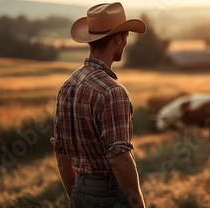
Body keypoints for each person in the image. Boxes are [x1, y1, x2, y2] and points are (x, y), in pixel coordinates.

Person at [52, 2, 146, 207]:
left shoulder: (67, 86)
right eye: (126, 37)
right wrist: (137, 204)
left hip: (79, 189)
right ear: (118, 39)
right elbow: (119, 158)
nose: (126, 43)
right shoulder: (113, 91)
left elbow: (61, 152)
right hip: (109, 194)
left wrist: (77, 194)